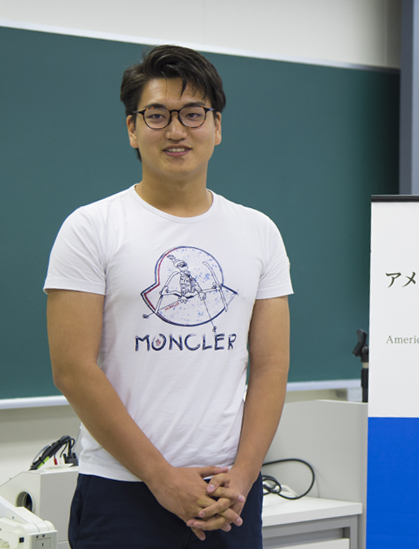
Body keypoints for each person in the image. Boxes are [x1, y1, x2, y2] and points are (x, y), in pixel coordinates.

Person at [44, 45, 292, 548]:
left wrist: (243, 476)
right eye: (156, 115)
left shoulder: (259, 231)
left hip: (229, 495)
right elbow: (73, 368)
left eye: (193, 114)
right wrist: (160, 476)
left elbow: (270, 365)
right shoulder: (91, 228)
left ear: (217, 128)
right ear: (132, 129)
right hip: (122, 492)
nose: (176, 130)